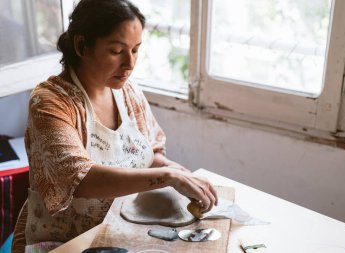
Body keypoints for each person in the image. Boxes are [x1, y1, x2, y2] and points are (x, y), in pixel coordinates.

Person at [11, 0, 218, 252]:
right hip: (63, 241)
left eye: (135, 50)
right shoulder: (50, 102)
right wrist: (169, 177)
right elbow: (82, 180)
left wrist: (184, 176)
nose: (129, 64)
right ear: (81, 45)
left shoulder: (128, 92)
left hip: (117, 232)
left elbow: (149, 156)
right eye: (116, 51)